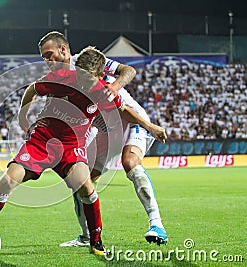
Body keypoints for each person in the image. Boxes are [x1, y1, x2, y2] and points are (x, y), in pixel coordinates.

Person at [0, 46, 166, 256]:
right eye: (82, 78)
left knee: (86, 187)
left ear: (100, 75)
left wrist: (151, 127)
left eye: (89, 80)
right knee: (7, 181)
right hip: (42, 140)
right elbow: (32, 89)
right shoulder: (60, 78)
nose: (85, 84)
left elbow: (124, 110)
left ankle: (95, 241)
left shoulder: (103, 90)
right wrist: (23, 115)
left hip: (72, 146)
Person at [37, 31, 168, 246]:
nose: (47, 60)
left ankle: (157, 224)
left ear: (63, 49)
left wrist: (114, 87)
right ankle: (86, 235)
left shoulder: (87, 59)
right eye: (43, 57)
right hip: (104, 129)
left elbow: (129, 71)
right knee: (80, 181)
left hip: (130, 118)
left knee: (130, 163)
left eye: (49, 54)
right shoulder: (59, 80)